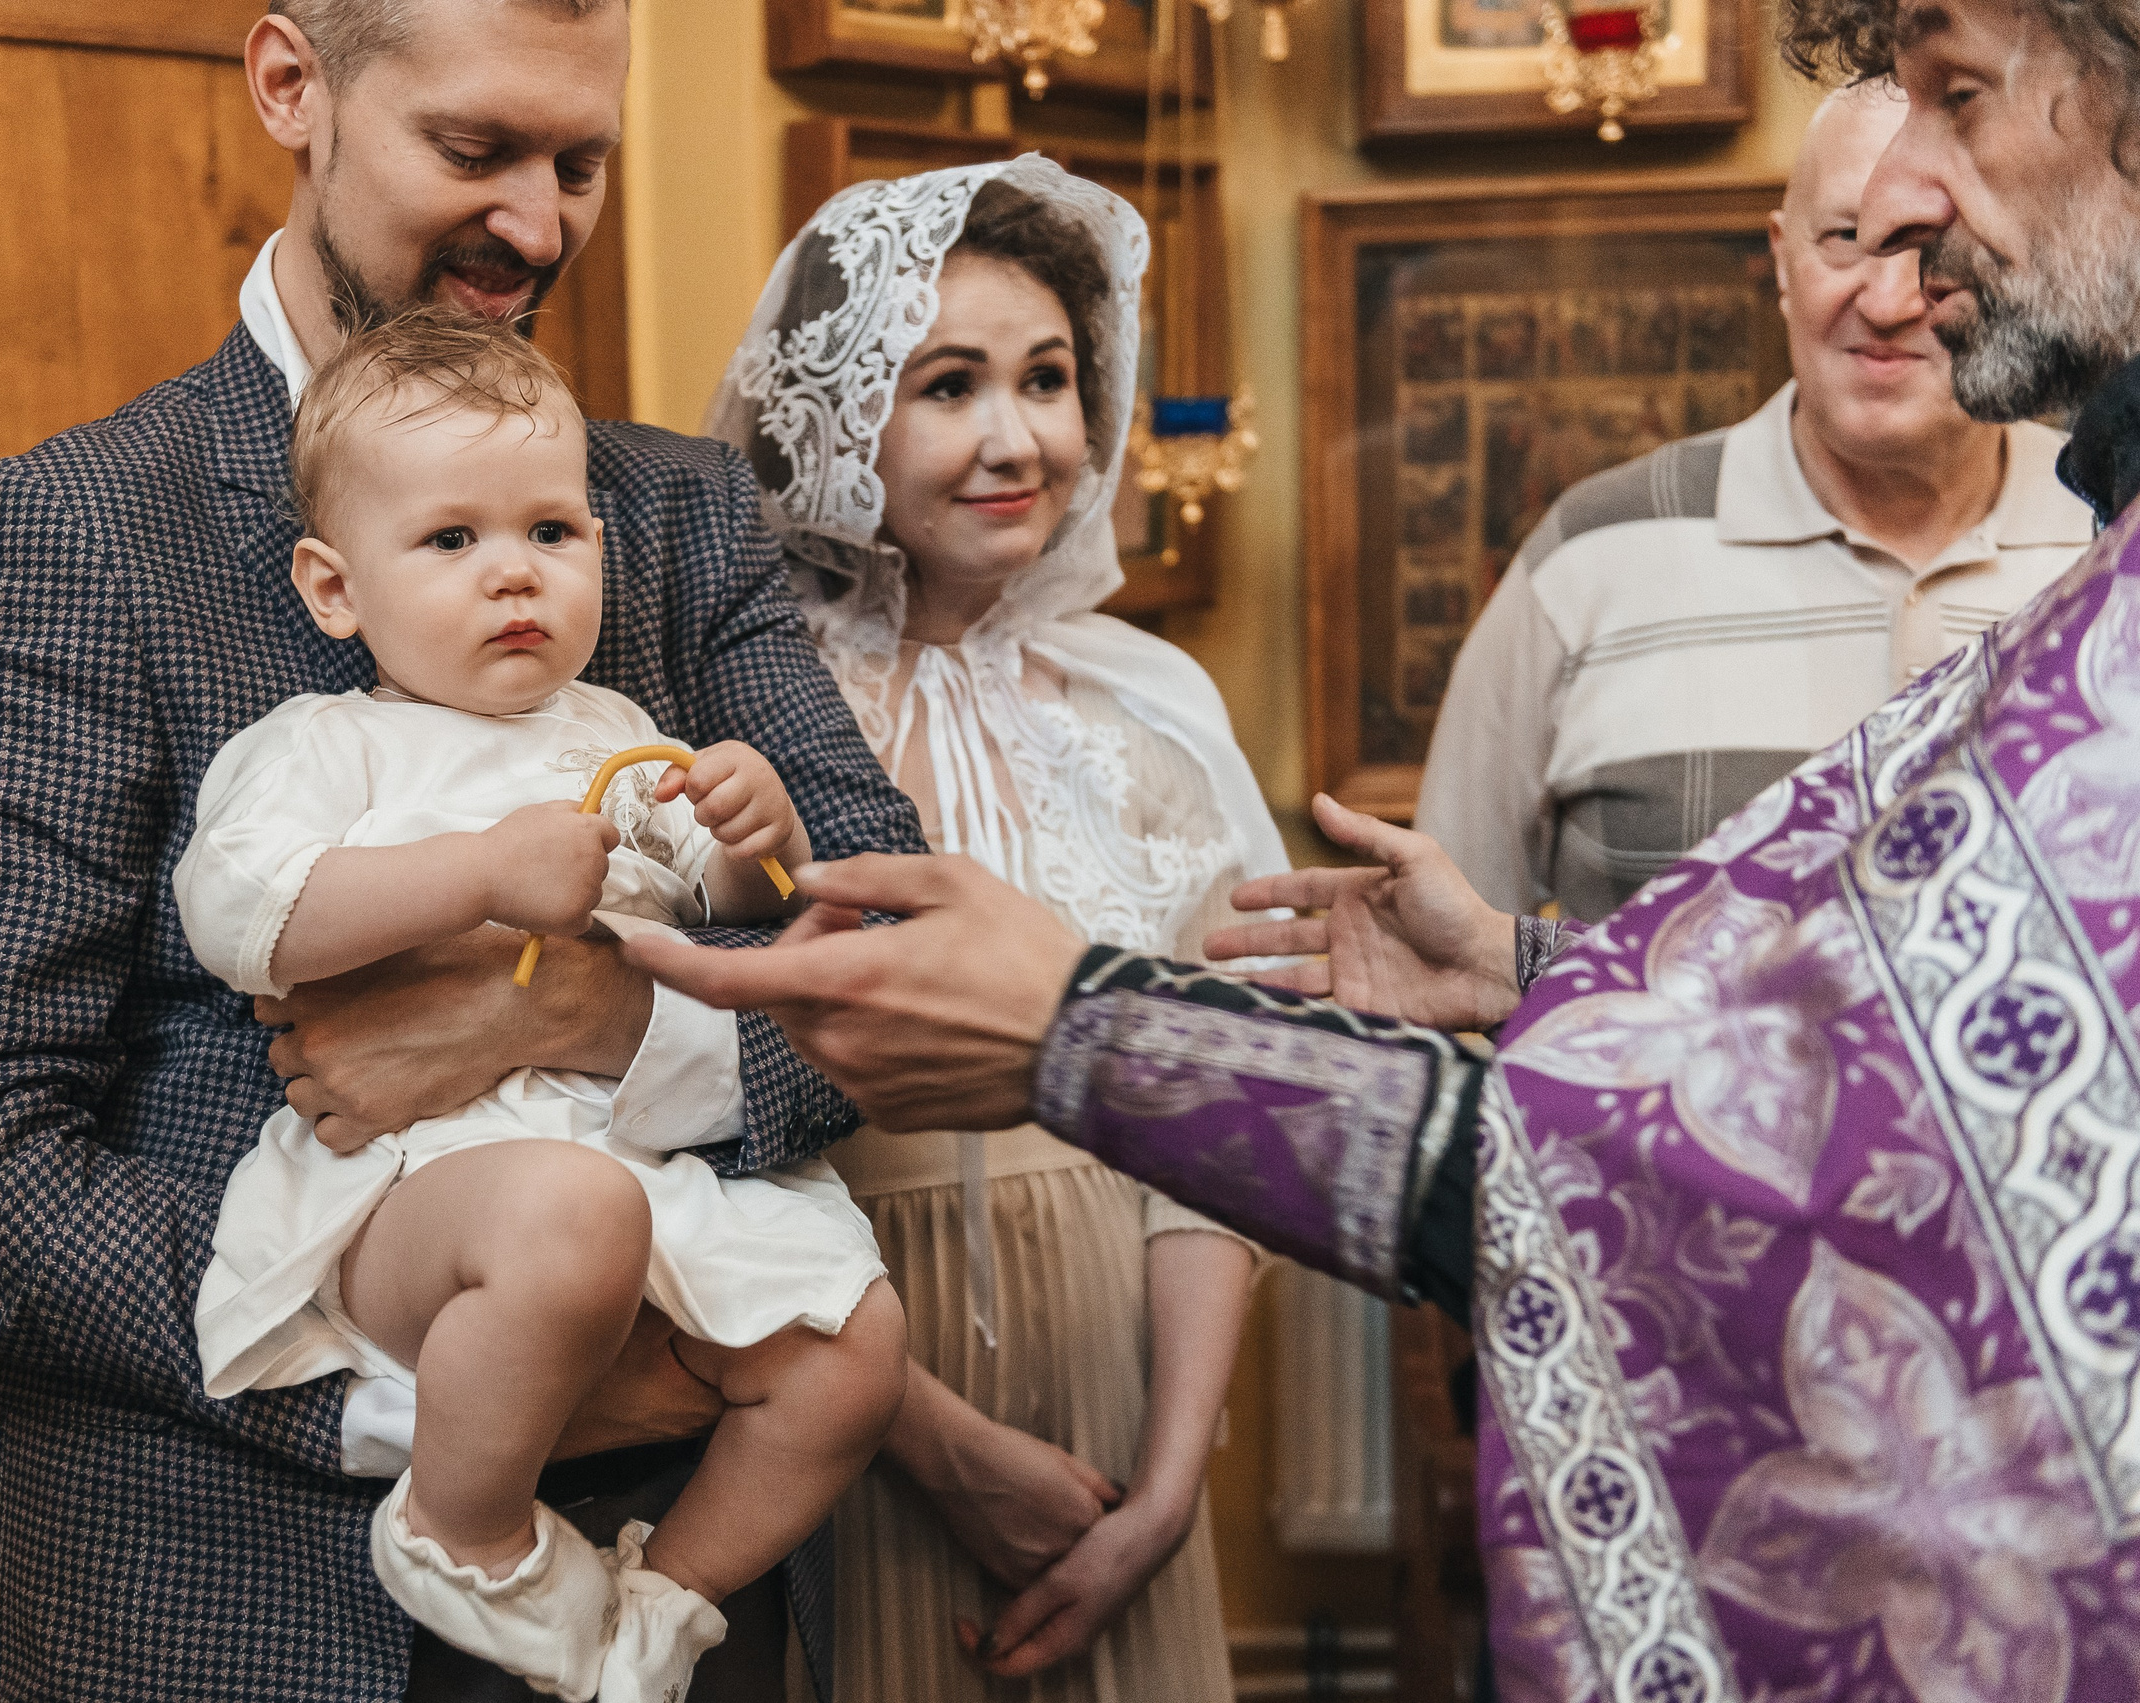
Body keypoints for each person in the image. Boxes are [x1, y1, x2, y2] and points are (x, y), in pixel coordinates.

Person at [625, 0, 2140, 1689]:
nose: (1910, 205)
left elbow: (1860, 1163)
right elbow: (1900, 1065)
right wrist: (1520, 962)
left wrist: (1084, 1029)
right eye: (947, 384)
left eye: (1956, 95)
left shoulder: (2093, 596)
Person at [0, 0, 924, 1696]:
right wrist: (408, 1386)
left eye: (579, 163)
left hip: (658, 1591)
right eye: (474, 152)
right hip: (213, 1606)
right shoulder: (80, 533)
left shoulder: (676, 515)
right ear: (294, 88)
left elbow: (889, 949)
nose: (540, 228)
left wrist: (608, 1021)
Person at [181, 311, 906, 1702]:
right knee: (573, 1219)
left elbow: (746, 917)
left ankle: (662, 1604)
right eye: (451, 542)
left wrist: (759, 842)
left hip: (637, 1149)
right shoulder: (326, 745)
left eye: (552, 533)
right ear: (336, 590)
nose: (512, 571)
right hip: (422, 1185)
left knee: (853, 1350)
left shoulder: (624, 735)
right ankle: (464, 1528)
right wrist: (476, 872)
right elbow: (241, 916)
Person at [705, 157, 1268, 1699]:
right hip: (836, 1397)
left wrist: (1161, 1489)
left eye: (1049, 379)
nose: (1016, 436)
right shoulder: (749, 719)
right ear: (837, 423)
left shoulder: (1156, 705)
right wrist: (937, 1446)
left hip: (1119, 1385)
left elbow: (1217, 1108)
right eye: (947, 385)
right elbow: (684, 1144)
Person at [1415, 80, 2092, 922]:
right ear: (1780, 259)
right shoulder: (1586, 558)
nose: (1885, 303)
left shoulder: (2113, 540)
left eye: (1935, 247)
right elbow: (1454, 962)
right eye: (1846, 237)